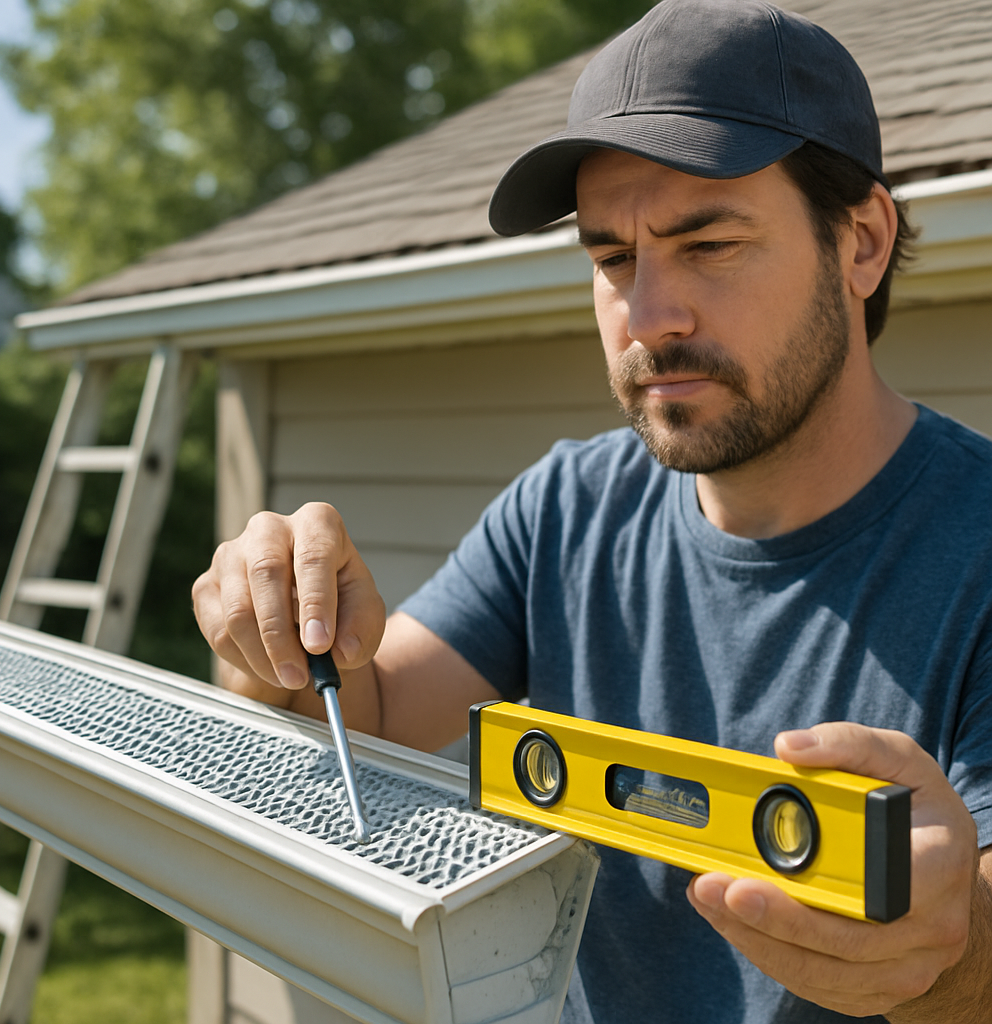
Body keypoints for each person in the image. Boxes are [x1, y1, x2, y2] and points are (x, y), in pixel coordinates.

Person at [192, 1, 992, 1020]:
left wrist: (938, 950)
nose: (649, 316)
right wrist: (273, 629)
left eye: (707, 244)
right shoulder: (568, 508)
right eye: (612, 259)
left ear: (862, 242)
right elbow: (371, 711)